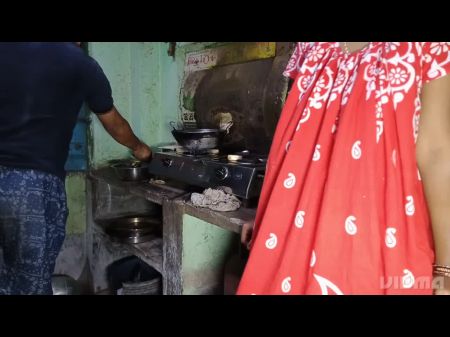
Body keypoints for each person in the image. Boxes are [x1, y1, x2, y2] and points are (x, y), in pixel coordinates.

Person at [238, 42, 450, 295]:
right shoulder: (311, 46)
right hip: (296, 226)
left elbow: (436, 152)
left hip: (381, 234)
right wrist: (269, 208)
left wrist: (446, 269)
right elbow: (297, 140)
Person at [0, 42, 152, 295]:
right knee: (31, 284)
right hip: (32, 188)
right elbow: (114, 123)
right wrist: (141, 149)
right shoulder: (81, 64)